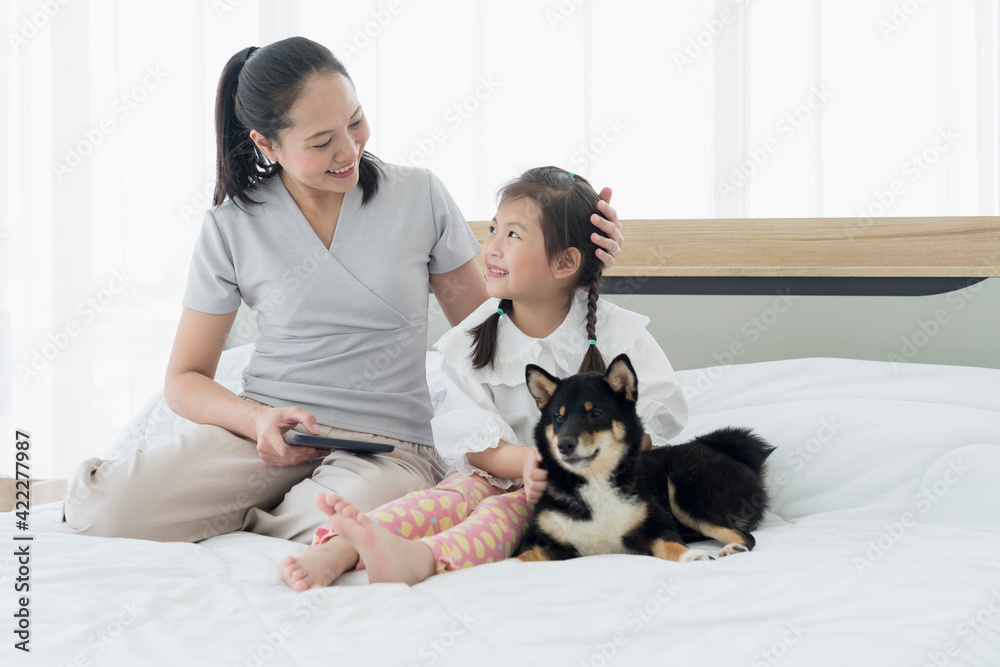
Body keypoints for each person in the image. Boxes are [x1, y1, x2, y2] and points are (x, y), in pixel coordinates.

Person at [60, 37, 624, 545]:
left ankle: (262, 520)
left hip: (388, 447)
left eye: (356, 123)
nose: (350, 150)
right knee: (108, 513)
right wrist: (257, 422)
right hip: (266, 435)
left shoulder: (418, 196)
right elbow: (183, 380)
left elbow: (489, 331)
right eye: (323, 141)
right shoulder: (231, 226)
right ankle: (260, 510)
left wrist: (574, 267)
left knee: (342, 524)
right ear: (267, 144)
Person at [279, 166, 687, 589]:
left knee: (501, 516)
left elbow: (650, 422)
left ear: (565, 261)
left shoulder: (621, 337)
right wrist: (527, 461)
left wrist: (569, 468)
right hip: (497, 473)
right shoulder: (472, 341)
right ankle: (338, 548)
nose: (490, 246)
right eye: (492, 229)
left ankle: (419, 560)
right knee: (442, 500)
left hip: (580, 487)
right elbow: (476, 444)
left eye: (512, 235)